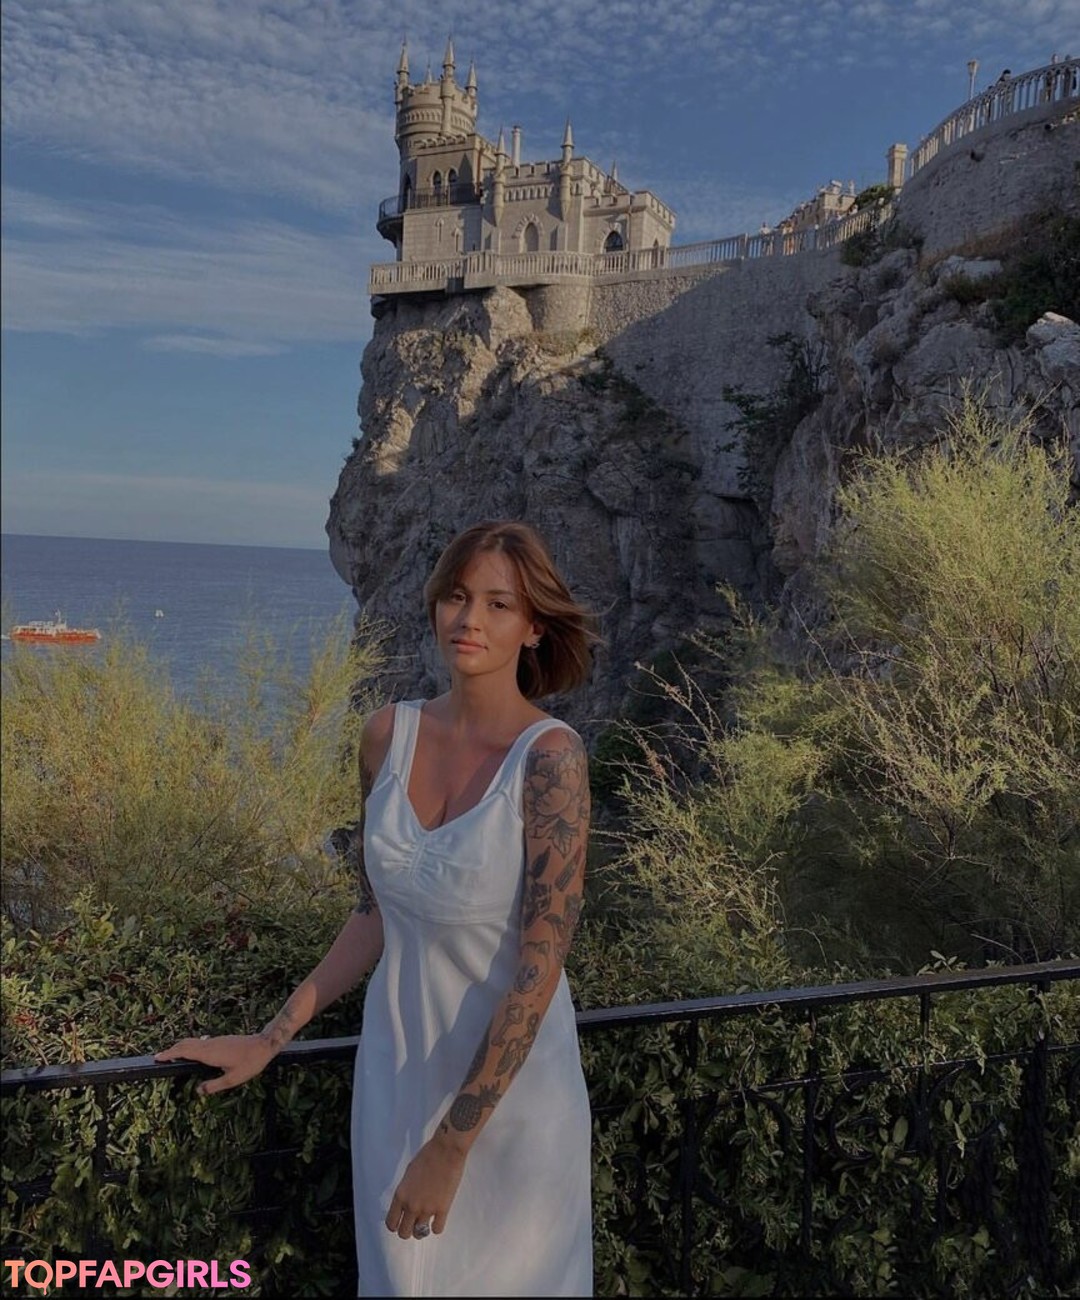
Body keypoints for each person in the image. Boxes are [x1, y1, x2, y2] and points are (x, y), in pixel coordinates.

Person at [156, 520, 598, 1297]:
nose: (469, 619)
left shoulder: (550, 760)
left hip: (512, 1110)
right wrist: (270, 1037)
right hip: (396, 1082)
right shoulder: (387, 736)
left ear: (533, 628)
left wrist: (452, 1146)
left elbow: (540, 968)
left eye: (499, 604)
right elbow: (372, 915)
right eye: (457, 596)